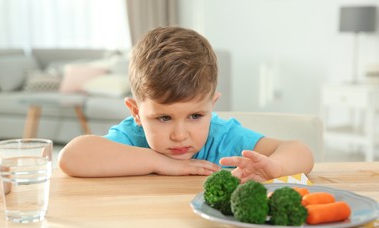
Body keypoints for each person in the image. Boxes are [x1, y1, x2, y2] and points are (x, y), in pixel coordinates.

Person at [58, 26, 314, 182]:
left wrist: (276, 167)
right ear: (136, 112)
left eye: (195, 116)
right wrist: (159, 162)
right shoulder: (133, 138)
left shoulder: (221, 137)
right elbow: (71, 157)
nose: (180, 135)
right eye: (164, 118)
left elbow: (299, 150)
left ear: (212, 107)